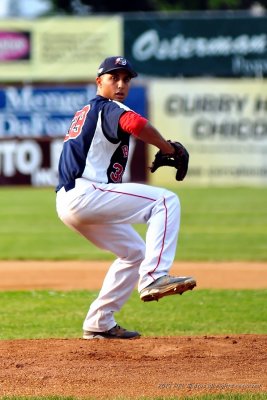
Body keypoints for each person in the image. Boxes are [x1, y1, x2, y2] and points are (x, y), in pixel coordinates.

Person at [55, 56, 196, 340]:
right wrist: (167, 147)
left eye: (126, 79)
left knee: (134, 252)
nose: (120, 84)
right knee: (166, 201)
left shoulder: (89, 111)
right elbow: (134, 122)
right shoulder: (108, 107)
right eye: (113, 78)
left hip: (69, 201)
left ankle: (99, 322)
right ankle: (155, 277)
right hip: (87, 193)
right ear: (99, 82)